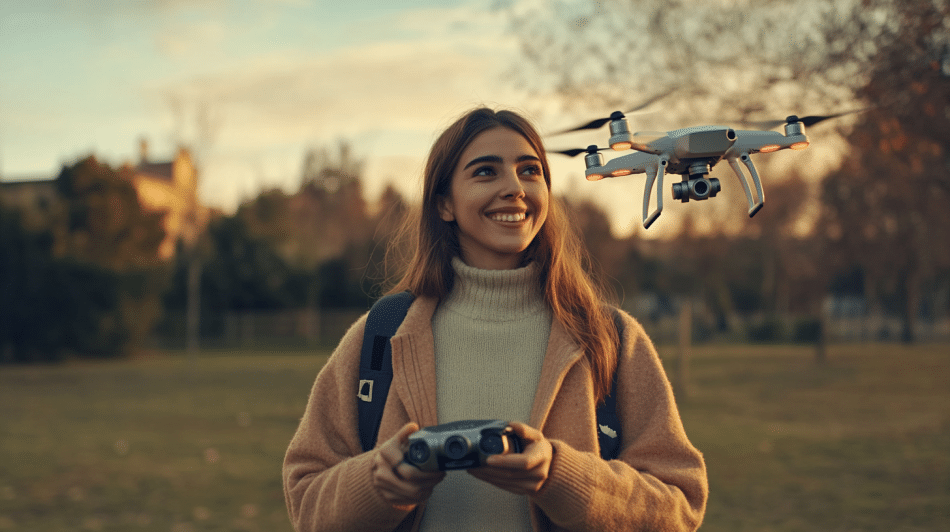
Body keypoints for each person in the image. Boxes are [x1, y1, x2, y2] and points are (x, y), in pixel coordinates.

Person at [283, 107, 708, 531]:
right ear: (444, 204)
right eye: (485, 172)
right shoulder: (377, 336)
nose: (514, 189)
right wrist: (377, 484)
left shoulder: (610, 338)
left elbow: (679, 505)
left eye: (530, 171)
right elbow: (305, 503)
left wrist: (560, 476)